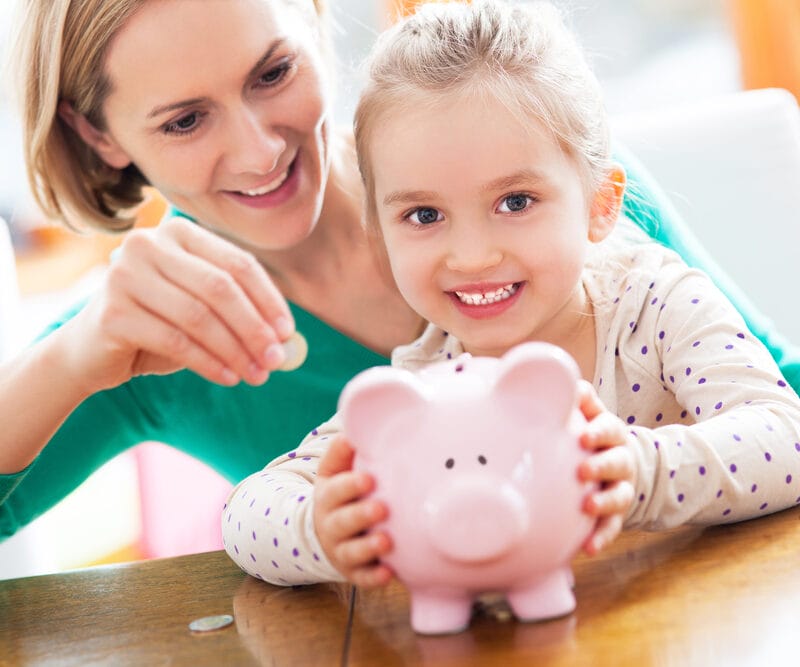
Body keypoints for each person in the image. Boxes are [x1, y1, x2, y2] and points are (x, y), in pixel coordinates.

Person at [0, 0, 794, 547]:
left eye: (272, 73)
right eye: (184, 120)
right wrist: (73, 362)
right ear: (99, 135)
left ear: (313, 19)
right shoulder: (151, 334)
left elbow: (780, 400)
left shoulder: (546, 179)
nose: (258, 151)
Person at [221, 0, 800, 591]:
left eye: (516, 202)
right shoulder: (424, 384)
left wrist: (638, 472)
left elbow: (788, 436)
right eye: (424, 214)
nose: (472, 256)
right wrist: (320, 530)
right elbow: (246, 513)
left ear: (600, 204)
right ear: (380, 231)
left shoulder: (654, 305)